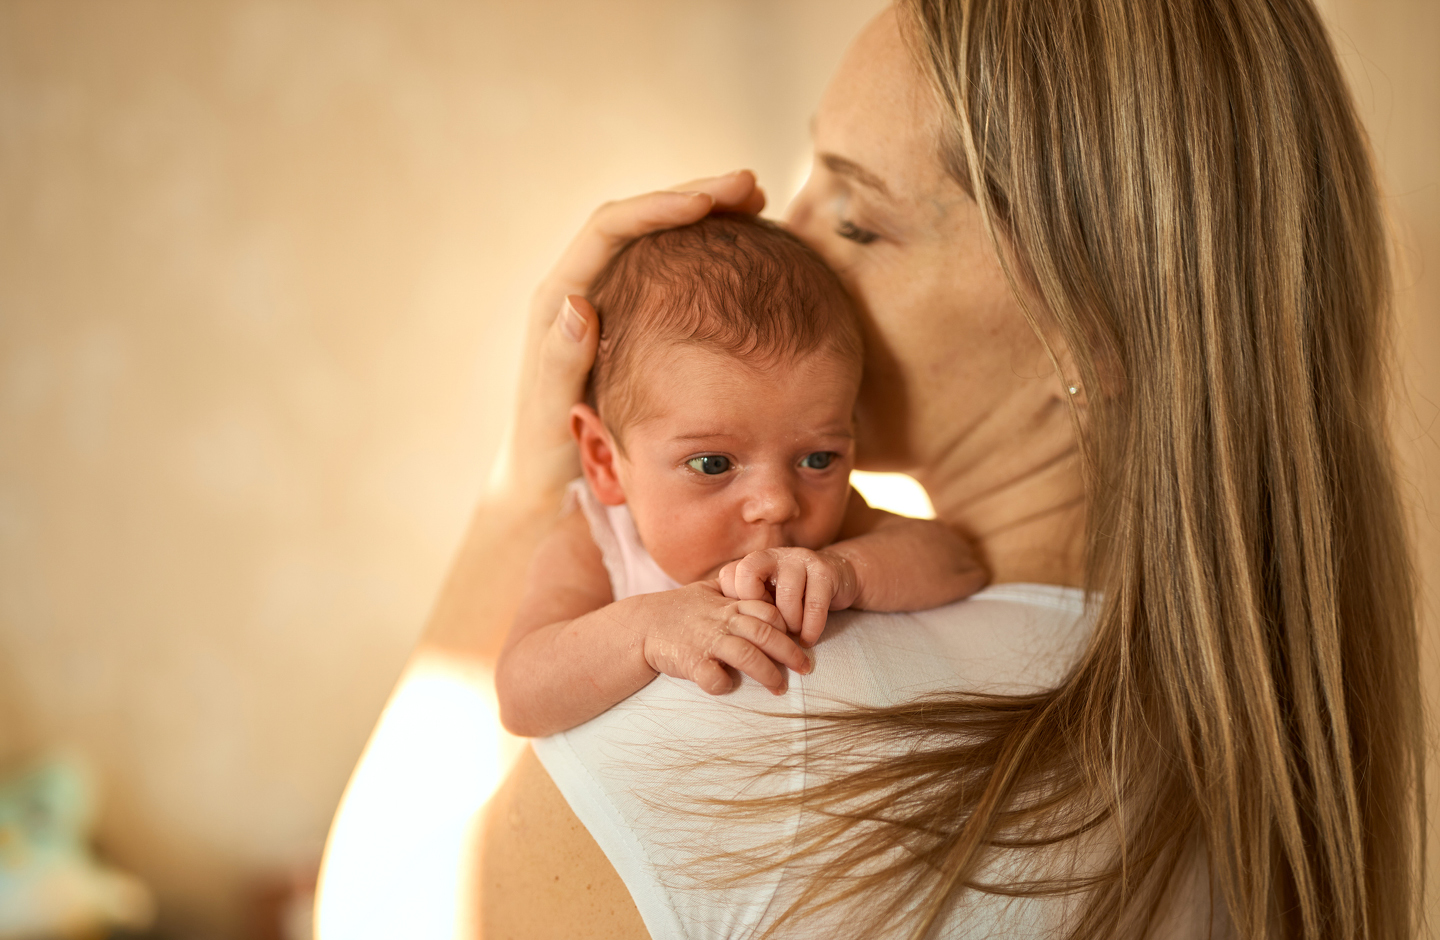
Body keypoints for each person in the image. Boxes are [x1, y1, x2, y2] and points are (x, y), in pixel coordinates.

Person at [320, 0, 1424, 937]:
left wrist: (527, 479)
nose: (784, 241)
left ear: (1084, 333)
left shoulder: (755, 713)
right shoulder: (1238, 731)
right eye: (809, 181)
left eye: (855, 217)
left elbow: (377, 914)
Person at [496, 214, 985, 738]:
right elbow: (522, 695)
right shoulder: (598, 541)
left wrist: (849, 571)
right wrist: (646, 630)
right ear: (601, 458)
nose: (777, 503)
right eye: (713, 464)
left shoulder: (828, 541)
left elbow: (957, 563)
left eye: (818, 459)